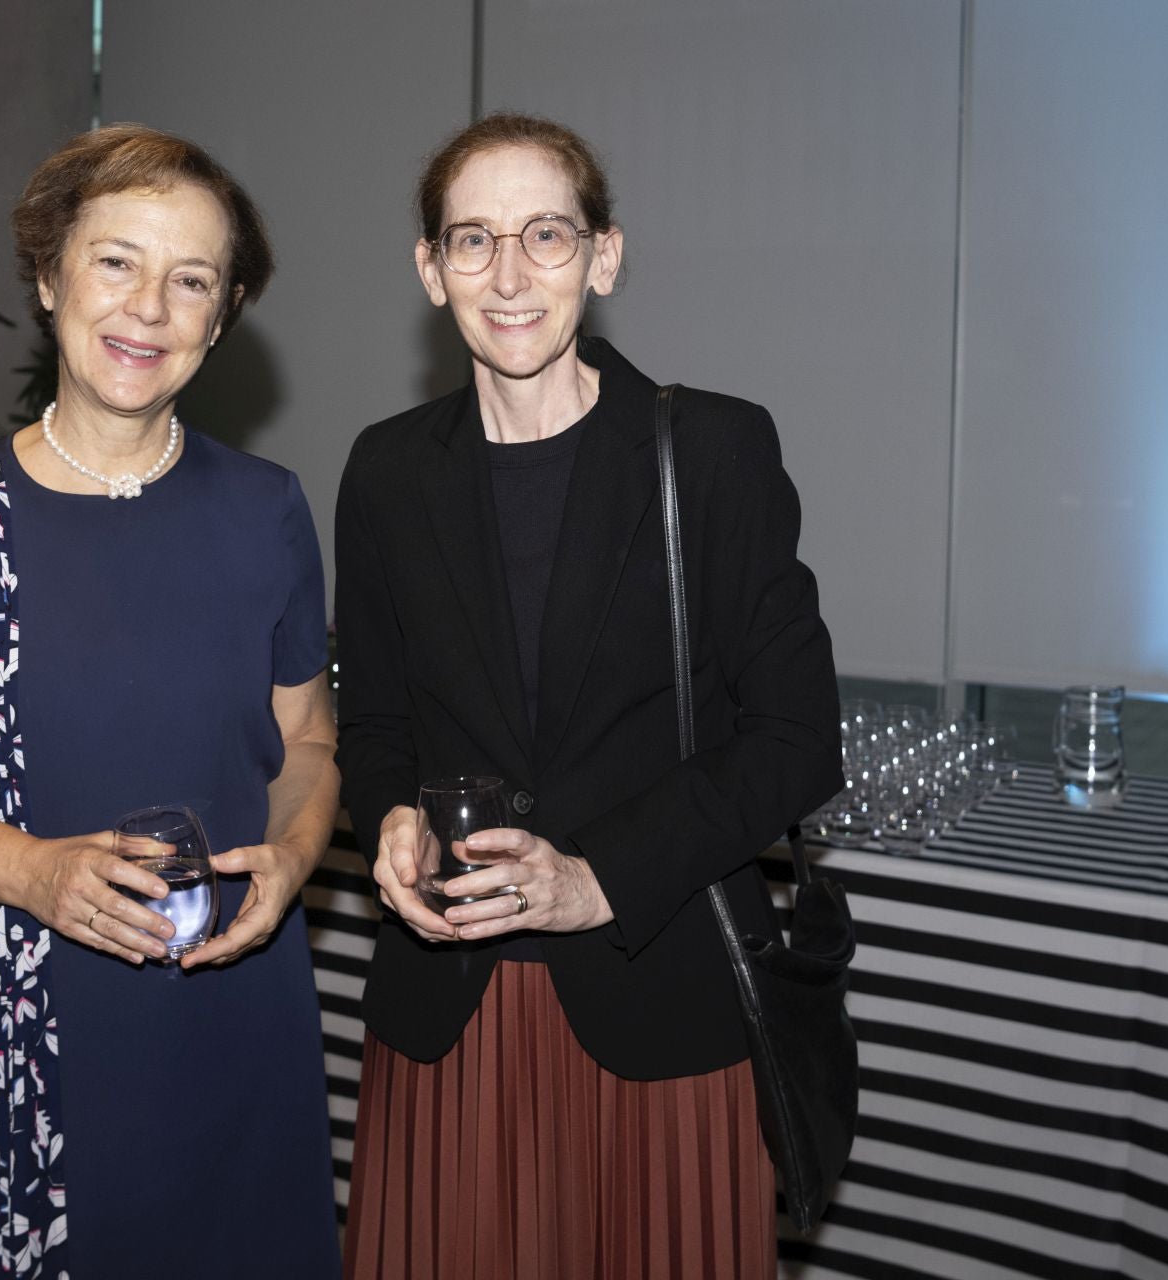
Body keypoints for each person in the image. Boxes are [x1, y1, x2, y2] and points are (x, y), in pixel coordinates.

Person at [0, 124, 341, 1279]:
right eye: (116, 260)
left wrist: (295, 855)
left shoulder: (268, 511)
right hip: (9, 1020)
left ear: (222, 311)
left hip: (232, 1003)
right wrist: (32, 870)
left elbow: (306, 737)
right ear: (49, 274)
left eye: (190, 278)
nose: (148, 305)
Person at [334, 112, 843, 1278]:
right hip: (448, 1015)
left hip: (654, 994)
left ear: (603, 257)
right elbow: (374, 722)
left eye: (546, 235)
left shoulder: (711, 452)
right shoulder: (386, 469)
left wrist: (594, 877)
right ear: (430, 270)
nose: (509, 275)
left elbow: (795, 740)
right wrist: (393, 814)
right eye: (472, 241)